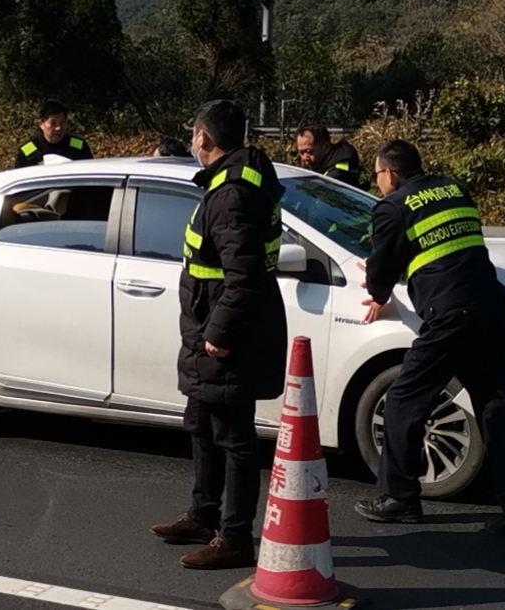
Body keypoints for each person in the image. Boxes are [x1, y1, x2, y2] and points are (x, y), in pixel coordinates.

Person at [353, 139, 505, 543]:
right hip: (489, 307)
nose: (376, 183)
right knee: (496, 407)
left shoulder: (392, 207)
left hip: (449, 316)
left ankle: (399, 498)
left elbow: (382, 270)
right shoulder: (453, 189)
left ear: (389, 173)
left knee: (403, 400)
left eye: (376, 175)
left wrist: (377, 289)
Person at [149, 99, 288, 570]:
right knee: (202, 425)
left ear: (202, 137)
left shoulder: (232, 194)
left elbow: (243, 274)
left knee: (232, 436)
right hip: (207, 328)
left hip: (223, 334)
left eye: (194, 133)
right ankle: (203, 514)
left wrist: (220, 332)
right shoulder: (233, 182)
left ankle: (234, 537)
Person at [14, 100, 93, 168]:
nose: (58, 128)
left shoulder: (79, 147)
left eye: (62, 122)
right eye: (53, 123)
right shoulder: (27, 152)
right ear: (41, 123)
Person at [294, 125, 363, 189]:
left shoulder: (339, 172)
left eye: (309, 151)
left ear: (326, 147)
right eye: (301, 152)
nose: (304, 157)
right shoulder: (321, 164)